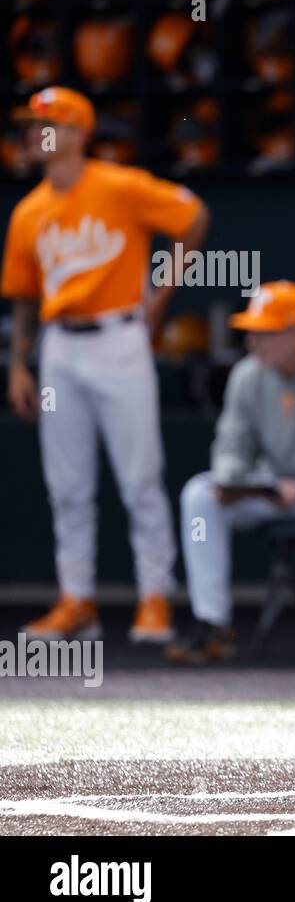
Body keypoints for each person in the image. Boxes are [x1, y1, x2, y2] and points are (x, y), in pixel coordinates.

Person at [2, 86, 209, 644]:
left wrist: (162, 293)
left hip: (120, 336)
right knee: (66, 484)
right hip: (59, 347)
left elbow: (193, 217)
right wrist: (20, 363)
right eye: (28, 124)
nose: (32, 133)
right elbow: (23, 295)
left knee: (139, 478)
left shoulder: (120, 185)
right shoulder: (28, 211)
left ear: (76, 132)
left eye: (44, 123)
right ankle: (77, 600)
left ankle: (154, 598)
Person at [169, 281, 295, 664]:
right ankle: (211, 623)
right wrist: (232, 477)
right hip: (272, 490)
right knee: (200, 494)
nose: (252, 343)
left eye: (265, 334)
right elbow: (232, 443)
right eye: (252, 333)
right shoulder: (248, 374)